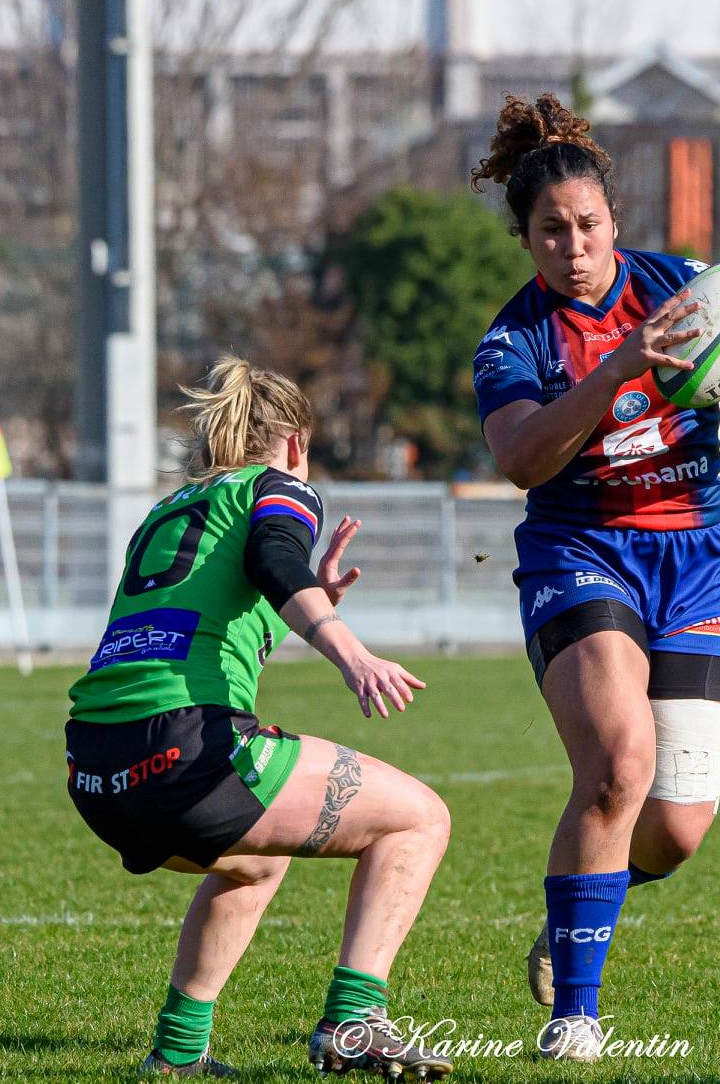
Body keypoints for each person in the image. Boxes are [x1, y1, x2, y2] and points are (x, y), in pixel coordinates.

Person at [469, 94, 720, 1061]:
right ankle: (574, 1017)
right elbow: (523, 460)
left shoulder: (685, 289)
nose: (573, 246)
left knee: (673, 828)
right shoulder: (515, 342)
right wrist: (622, 365)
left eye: (588, 225)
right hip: (579, 555)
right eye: (552, 231)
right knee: (618, 764)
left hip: (694, 564)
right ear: (526, 238)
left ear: (613, 222)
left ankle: (572, 908)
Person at [65, 357, 453, 1079]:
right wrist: (349, 652)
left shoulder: (169, 509)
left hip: (92, 767)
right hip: (183, 750)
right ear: (296, 442)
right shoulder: (279, 486)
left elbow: (208, 615)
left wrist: (312, 594)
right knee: (419, 819)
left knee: (256, 859)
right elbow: (277, 559)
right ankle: (353, 1023)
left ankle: (178, 1055)